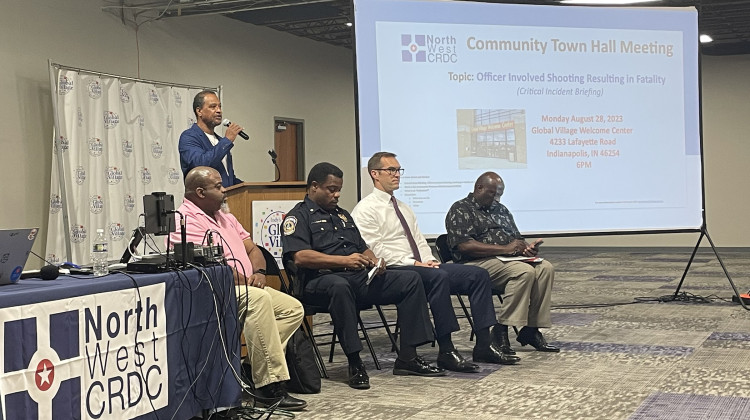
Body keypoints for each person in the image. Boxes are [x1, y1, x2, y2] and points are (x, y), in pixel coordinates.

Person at [281, 162, 445, 390]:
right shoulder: (297, 217)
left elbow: (362, 246)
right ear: (314, 187)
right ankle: (355, 361)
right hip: (318, 281)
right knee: (339, 287)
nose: (337, 194)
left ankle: (408, 357)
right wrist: (344, 261)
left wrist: (374, 259)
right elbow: (300, 257)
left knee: (409, 279)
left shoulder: (343, 215)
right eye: (331, 189)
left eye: (339, 189)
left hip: (357, 277)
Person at [352, 152, 519, 367]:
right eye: (391, 170)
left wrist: (429, 259)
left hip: (421, 265)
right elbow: (375, 250)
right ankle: (447, 349)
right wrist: (415, 263)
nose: (397, 175)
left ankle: (484, 345)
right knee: (437, 276)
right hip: (396, 269)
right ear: (374, 174)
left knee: (478, 275)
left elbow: (419, 240)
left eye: (398, 170)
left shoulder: (403, 207)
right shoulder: (365, 209)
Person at [169, 166, 307, 411]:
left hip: (245, 284)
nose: (224, 191)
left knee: (292, 308)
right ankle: (268, 386)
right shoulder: (184, 220)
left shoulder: (224, 216)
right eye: (219, 186)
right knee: (258, 301)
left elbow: (253, 249)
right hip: (212, 290)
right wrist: (243, 280)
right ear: (200, 192)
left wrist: (260, 273)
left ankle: (250, 367)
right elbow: (208, 264)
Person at [445, 172, 559, 354]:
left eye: (499, 194)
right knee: (523, 272)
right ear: (479, 188)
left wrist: (526, 250)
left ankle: (531, 329)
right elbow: (465, 246)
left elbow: (516, 239)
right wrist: (505, 249)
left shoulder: (501, 210)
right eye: (492, 193)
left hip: (506, 261)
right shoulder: (461, 209)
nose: (496, 198)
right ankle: (501, 329)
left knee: (545, 268)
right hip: (475, 264)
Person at [179, 90, 244, 187]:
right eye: (213, 107)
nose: (219, 110)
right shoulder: (189, 137)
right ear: (199, 111)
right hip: (203, 201)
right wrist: (227, 141)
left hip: (226, 200)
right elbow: (200, 167)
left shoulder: (220, 141)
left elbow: (227, 178)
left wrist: (250, 187)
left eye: (219, 106)